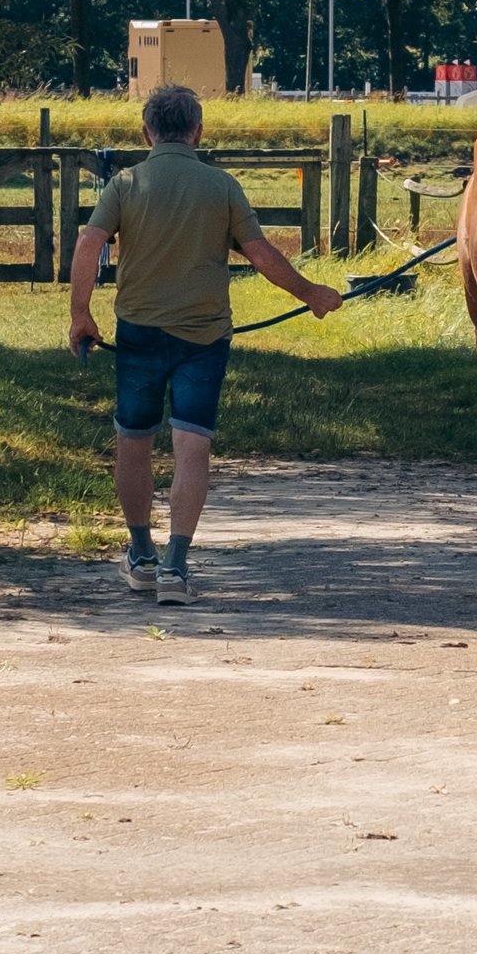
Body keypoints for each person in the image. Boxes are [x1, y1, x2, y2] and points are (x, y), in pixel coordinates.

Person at [69, 82, 340, 600]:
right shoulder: (222, 186)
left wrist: (81, 314)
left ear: (147, 131)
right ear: (198, 130)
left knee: (134, 438)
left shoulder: (125, 184)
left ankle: (141, 552)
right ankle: (175, 565)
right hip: (205, 335)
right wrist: (310, 293)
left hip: (139, 332)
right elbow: (260, 253)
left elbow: (89, 243)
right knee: (192, 444)